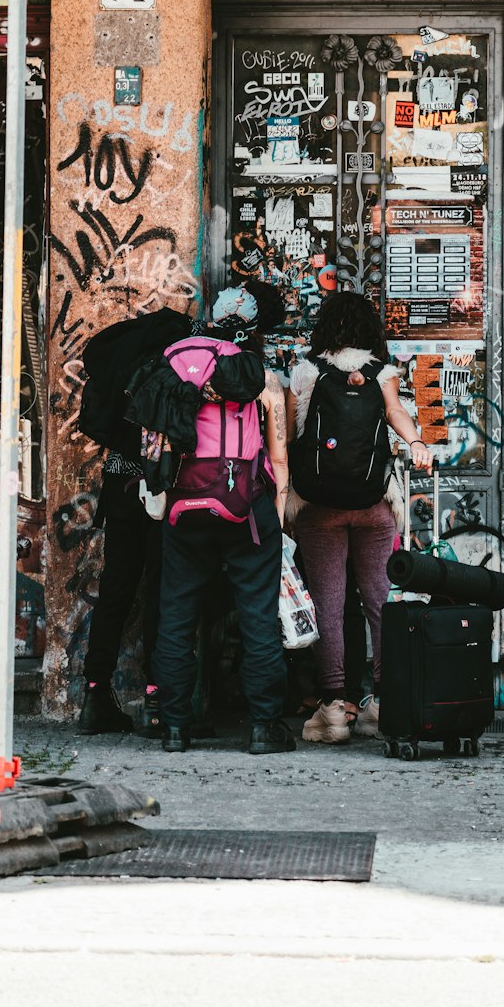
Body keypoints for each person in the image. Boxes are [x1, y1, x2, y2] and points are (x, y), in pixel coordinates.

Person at [151, 282, 296, 756]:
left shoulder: (173, 361)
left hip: (183, 501)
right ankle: (263, 726)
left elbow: (151, 437)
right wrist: (276, 514)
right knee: (257, 615)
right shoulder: (258, 377)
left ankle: (174, 726)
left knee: (176, 615)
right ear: (252, 328)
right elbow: (279, 455)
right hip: (243, 503)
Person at [287, 290, 432, 744]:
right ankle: (384, 703)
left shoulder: (307, 373)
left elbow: (294, 435)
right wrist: (417, 444)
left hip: (319, 507)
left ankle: (332, 710)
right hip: (374, 504)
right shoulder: (381, 373)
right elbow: (395, 414)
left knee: (328, 606)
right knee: (380, 602)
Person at [77, 305, 192, 735]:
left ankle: (94, 694)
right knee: (163, 595)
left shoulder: (122, 360)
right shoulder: (166, 366)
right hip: (160, 490)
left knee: (116, 593)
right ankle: (156, 698)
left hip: (119, 487)